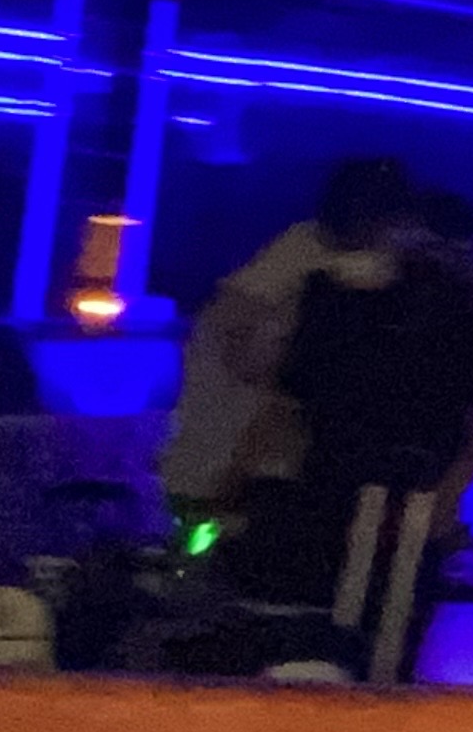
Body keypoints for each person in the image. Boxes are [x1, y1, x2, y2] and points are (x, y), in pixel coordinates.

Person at [240, 183, 473, 652]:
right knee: (373, 638)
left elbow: (282, 386)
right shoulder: (452, 299)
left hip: (354, 490)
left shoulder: (342, 296)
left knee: (342, 636)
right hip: (383, 492)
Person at [160, 157, 414, 526]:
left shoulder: (287, 262)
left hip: (220, 468)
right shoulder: (321, 276)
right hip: (243, 476)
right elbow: (258, 369)